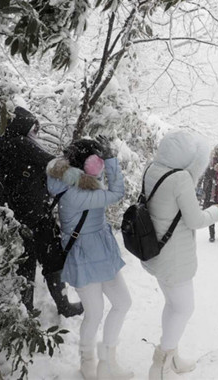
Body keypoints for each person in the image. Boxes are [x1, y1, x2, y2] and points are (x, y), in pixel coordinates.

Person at [0, 106, 83, 317]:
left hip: (16, 217)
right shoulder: (21, 143)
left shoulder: (1, 145)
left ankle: (26, 310)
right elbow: (53, 164)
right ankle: (62, 305)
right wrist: (74, 159)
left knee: (26, 264)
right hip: (35, 216)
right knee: (52, 258)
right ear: (22, 124)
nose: (35, 132)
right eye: (33, 127)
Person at [47, 138, 132, 380]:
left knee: (123, 302)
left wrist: (102, 164)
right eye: (97, 160)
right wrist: (111, 161)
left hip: (101, 252)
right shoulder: (73, 192)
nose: (100, 165)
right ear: (88, 164)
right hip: (83, 255)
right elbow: (116, 194)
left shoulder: (82, 180)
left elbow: (100, 188)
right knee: (94, 313)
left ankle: (108, 359)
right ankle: (87, 362)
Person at [140, 130, 218, 380]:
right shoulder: (181, 178)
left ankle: (172, 357)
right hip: (175, 258)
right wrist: (215, 212)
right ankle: (161, 366)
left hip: (156, 251)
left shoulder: (152, 169)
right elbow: (195, 220)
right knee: (184, 308)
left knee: (173, 304)